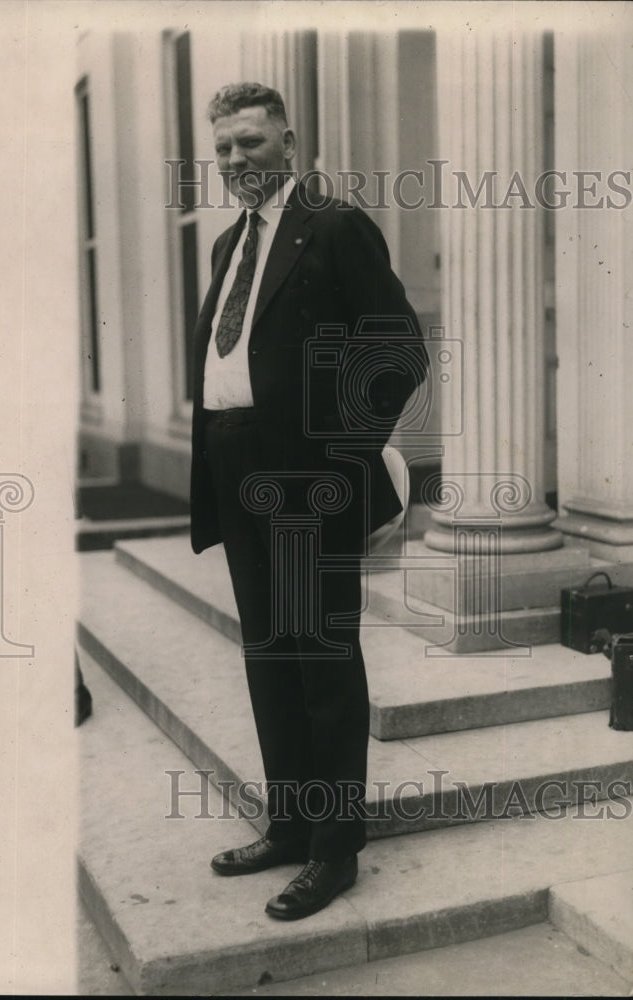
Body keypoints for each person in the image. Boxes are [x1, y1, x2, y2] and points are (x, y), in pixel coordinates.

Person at [189, 82, 428, 920]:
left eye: (250, 143)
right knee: (268, 654)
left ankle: (333, 851)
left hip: (305, 482)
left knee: (321, 662)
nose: (233, 161)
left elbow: (397, 350)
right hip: (234, 465)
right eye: (221, 148)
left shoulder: (331, 226)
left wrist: (343, 459)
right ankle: (289, 825)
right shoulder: (227, 245)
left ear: (290, 142)